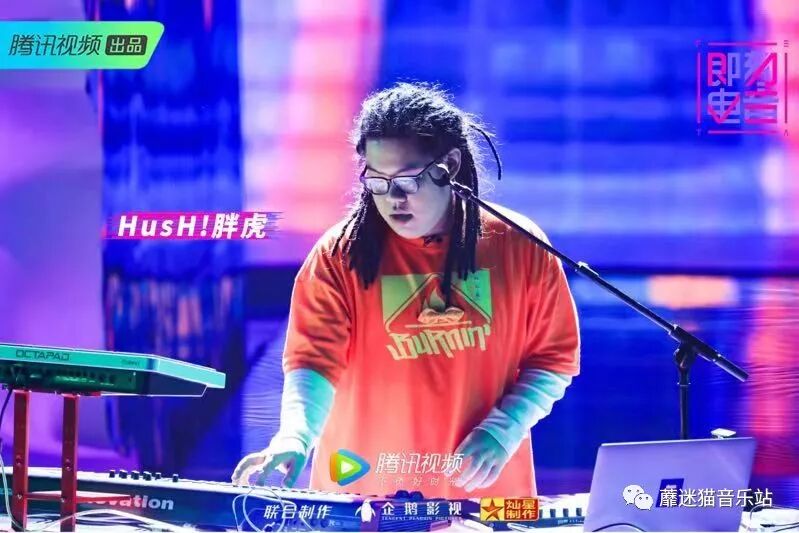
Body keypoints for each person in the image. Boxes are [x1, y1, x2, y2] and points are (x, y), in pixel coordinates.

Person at [231, 82, 580, 499]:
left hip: (486, 500)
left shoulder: (518, 244)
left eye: (407, 181)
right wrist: (295, 436)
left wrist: (503, 430)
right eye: (377, 182)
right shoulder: (340, 256)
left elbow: (553, 359)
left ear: (449, 165)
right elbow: (313, 364)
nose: (393, 199)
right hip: (364, 498)